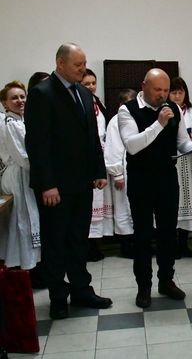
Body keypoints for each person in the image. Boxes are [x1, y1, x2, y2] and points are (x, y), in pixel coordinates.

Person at [25, 43, 112, 319]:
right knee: (56, 242)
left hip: (82, 183)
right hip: (56, 187)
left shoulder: (84, 93)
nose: (83, 69)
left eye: (84, 63)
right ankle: (58, 296)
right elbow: (37, 144)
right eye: (77, 64)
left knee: (78, 240)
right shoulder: (42, 93)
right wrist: (47, 184)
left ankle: (81, 290)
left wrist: (98, 171)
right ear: (60, 63)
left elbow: (92, 138)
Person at [118, 68, 192, 308]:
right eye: (158, 90)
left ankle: (166, 280)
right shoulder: (127, 110)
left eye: (166, 90)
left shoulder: (173, 108)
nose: (163, 95)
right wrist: (158, 124)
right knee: (143, 235)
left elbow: (182, 142)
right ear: (143, 86)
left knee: (168, 232)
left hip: (167, 177)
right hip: (141, 179)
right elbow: (132, 146)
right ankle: (143, 286)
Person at [0, 81, 41, 273]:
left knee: (28, 217)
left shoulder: (21, 120)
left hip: (26, 173)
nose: (20, 100)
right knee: (22, 219)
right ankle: (24, 264)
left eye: (22, 96)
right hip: (18, 175)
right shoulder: (10, 124)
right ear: (5, 103)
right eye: (14, 98)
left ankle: (31, 265)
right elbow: (22, 156)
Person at [81, 68, 113, 261]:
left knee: (100, 200)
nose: (91, 86)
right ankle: (86, 246)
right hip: (87, 156)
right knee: (88, 203)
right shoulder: (78, 103)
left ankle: (95, 244)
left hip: (101, 153)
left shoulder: (98, 103)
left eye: (93, 83)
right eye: (86, 84)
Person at [169, 77, 192, 258]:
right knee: (174, 202)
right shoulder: (165, 111)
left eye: (180, 92)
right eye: (174, 92)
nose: (177, 96)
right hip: (172, 162)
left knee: (188, 200)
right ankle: (172, 245)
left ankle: (184, 243)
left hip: (189, 162)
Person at [104, 89, 137, 258]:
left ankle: (138, 243)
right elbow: (113, 147)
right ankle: (126, 246)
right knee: (123, 205)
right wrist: (117, 174)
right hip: (123, 169)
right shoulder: (115, 121)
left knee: (137, 206)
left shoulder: (138, 117)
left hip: (138, 168)